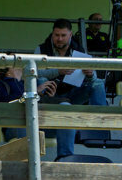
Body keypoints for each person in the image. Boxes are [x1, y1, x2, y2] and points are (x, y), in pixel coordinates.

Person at [35, 18, 106, 158]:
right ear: (52, 34)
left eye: (63, 35)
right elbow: (35, 73)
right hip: (51, 98)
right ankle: (44, 120)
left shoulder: (79, 50)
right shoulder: (41, 49)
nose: (59, 39)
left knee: (97, 84)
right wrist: (58, 71)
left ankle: (101, 127)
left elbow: (94, 77)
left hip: (73, 94)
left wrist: (90, 74)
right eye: (56, 35)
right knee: (41, 80)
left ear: (70, 35)